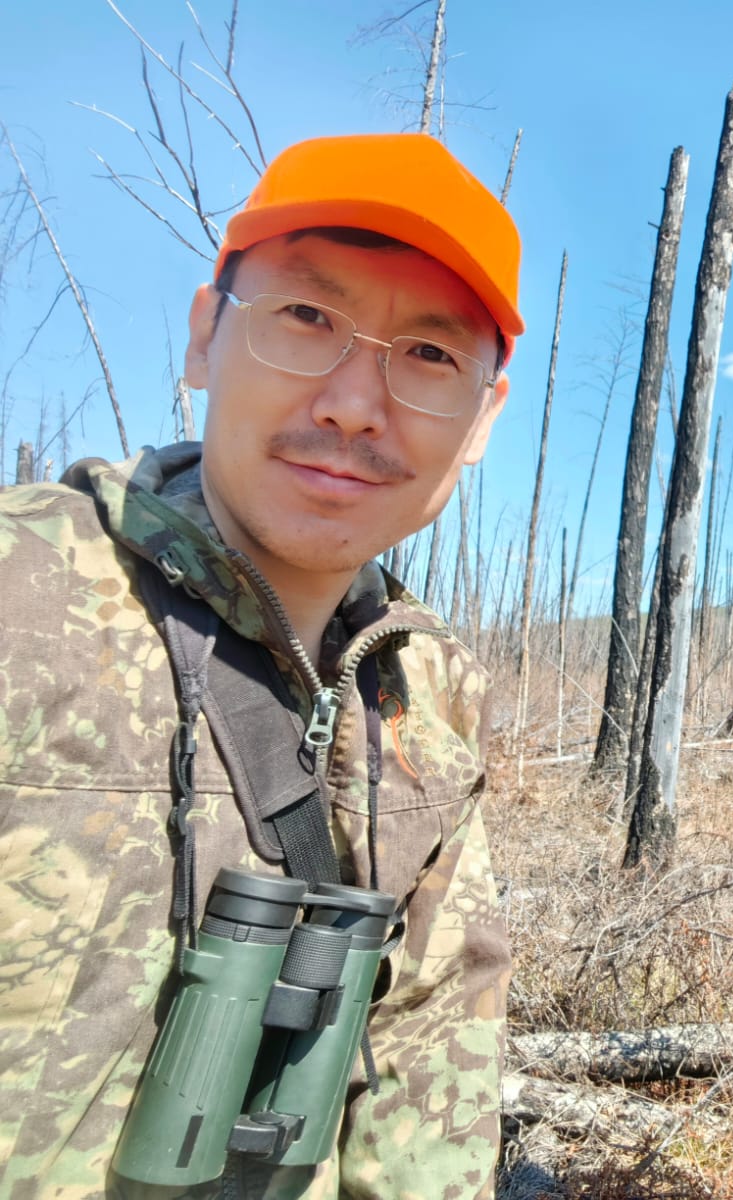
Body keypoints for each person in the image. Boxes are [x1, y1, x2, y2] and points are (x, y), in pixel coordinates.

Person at [0, 133, 521, 1198]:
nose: (353, 404)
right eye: (306, 319)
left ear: (483, 421)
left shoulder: (431, 691)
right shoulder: (25, 599)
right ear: (203, 339)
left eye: (428, 355)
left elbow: (428, 1079)